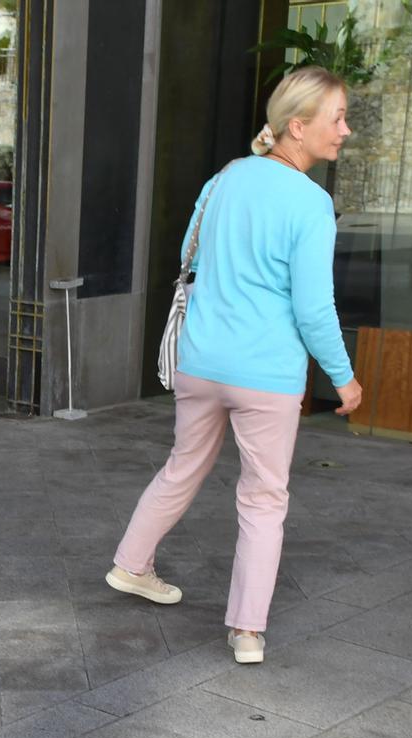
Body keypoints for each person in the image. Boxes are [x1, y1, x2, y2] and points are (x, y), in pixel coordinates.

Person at [107, 65, 362, 666]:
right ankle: (246, 630)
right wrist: (343, 376)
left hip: (201, 359)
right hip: (265, 373)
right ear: (297, 127)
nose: (345, 130)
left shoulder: (225, 178)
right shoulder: (312, 203)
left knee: (182, 467)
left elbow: (187, 254)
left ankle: (130, 564)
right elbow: (313, 306)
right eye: (338, 118)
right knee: (264, 498)